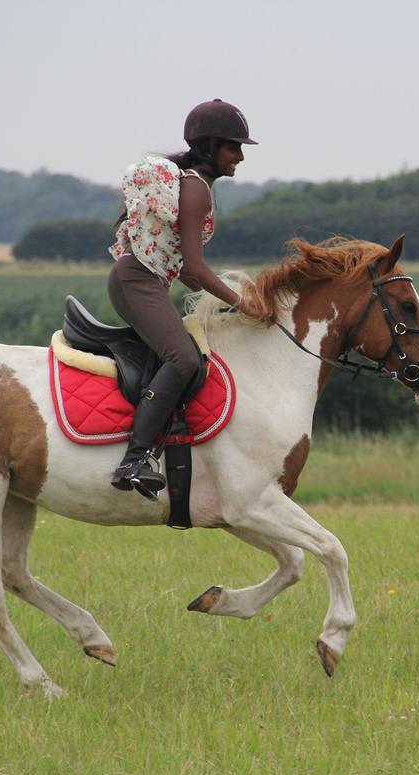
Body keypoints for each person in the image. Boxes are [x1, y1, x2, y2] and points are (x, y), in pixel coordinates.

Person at [105, 98, 261, 500]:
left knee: (187, 352)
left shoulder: (194, 185)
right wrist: (244, 303)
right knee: (184, 358)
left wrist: (224, 301)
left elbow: (187, 274)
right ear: (208, 147)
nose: (240, 157)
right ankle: (134, 460)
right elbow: (195, 269)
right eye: (233, 147)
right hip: (137, 282)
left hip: (145, 282)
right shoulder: (195, 191)